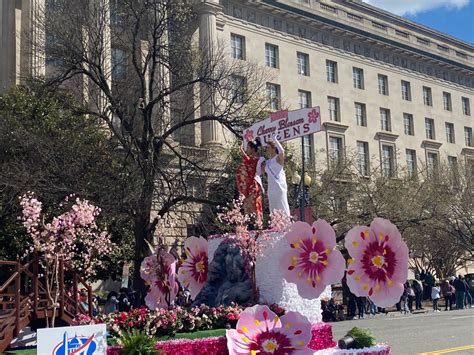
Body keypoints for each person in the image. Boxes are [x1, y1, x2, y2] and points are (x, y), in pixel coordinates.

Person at [236, 138, 264, 222]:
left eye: (248, 148)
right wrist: (241, 150)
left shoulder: (259, 159)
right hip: (250, 186)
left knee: (256, 205)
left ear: (252, 149)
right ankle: (251, 226)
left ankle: (258, 226)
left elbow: (249, 161)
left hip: (255, 185)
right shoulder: (252, 160)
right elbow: (247, 160)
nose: (246, 149)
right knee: (248, 206)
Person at [264, 134, 290, 216]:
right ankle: (276, 227)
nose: (266, 149)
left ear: (273, 149)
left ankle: (287, 227)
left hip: (279, 188)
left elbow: (282, 152)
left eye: (268, 148)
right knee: (273, 210)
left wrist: (275, 140)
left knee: (282, 208)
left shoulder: (278, 159)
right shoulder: (267, 162)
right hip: (271, 189)